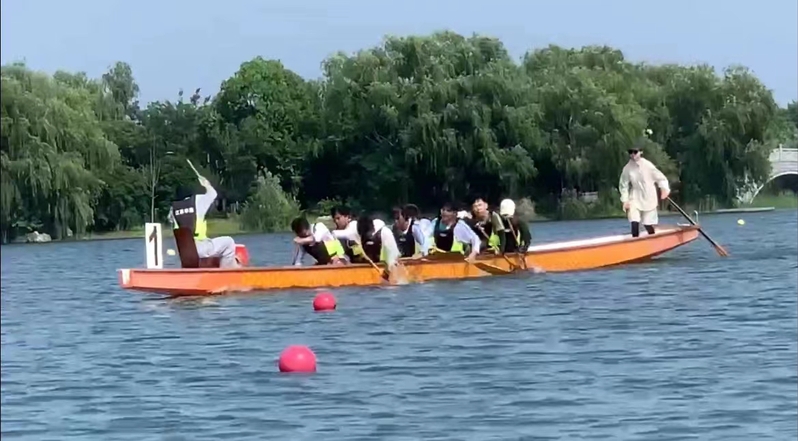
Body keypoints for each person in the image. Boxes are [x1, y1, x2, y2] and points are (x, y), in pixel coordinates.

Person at [168, 175, 239, 268]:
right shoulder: (197, 201)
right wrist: (206, 184)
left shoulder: (173, 209)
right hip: (200, 247)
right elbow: (213, 194)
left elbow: (170, 219)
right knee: (229, 242)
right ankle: (226, 272)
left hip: (184, 252)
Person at [619, 144, 670, 237]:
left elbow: (660, 178)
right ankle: (635, 239)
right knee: (634, 219)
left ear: (640, 152)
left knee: (647, 222)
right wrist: (625, 200)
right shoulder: (627, 168)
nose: (633, 154)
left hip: (649, 195)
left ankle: (653, 238)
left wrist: (664, 189)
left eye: (635, 152)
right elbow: (623, 185)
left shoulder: (648, 165)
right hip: (635, 195)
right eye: (630, 152)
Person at [355, 213, 401, 279]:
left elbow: (393, 258)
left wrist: (388, 272)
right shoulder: (362, 232)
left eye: (367, 234)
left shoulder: (385, 233)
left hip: (387, 265)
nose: (366, 236)